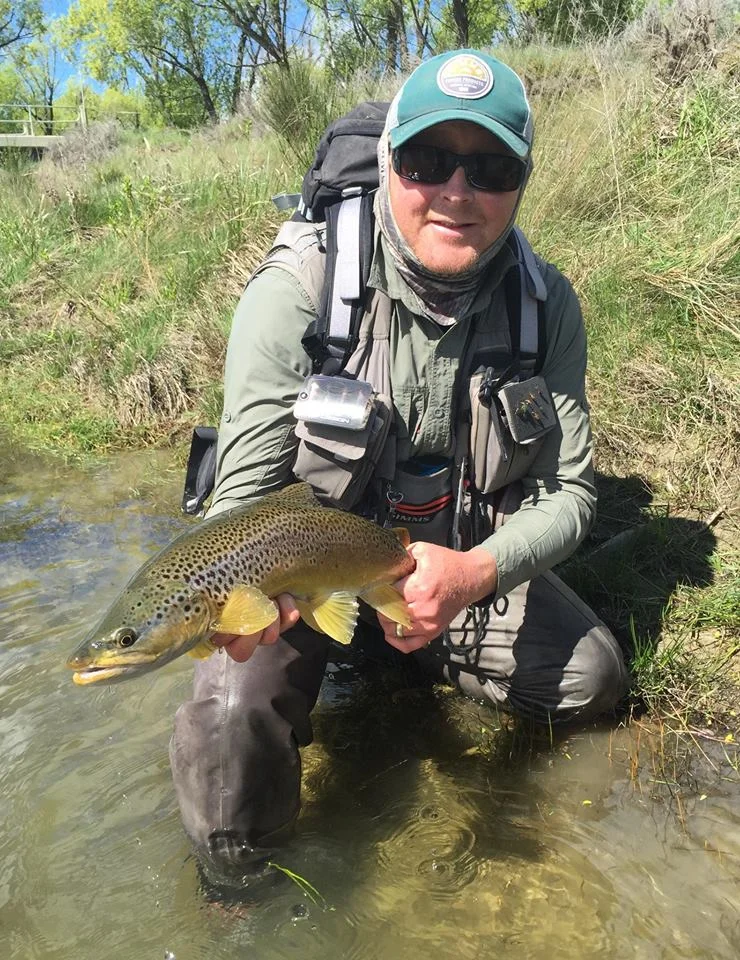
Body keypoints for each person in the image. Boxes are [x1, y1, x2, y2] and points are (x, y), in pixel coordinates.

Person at [169, 49, 628, 881]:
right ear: (388, 162)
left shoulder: (546, 305)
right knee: (228, 721)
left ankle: (403, 657)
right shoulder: (299, 291)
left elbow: (569, 496)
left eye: (490, 167)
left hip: (450, 577)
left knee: (591, 678)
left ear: (522, 182)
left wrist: (476, 573)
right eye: (427, 161)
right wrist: (254, 607)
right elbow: (237, 505)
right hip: (306, 590)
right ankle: (238, 893)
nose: (457, 191)